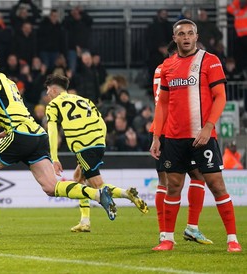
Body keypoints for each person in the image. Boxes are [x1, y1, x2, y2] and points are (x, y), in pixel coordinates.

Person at [0, 49, 116, 238]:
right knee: (51, 187)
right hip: (36, 134)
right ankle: (97, 195)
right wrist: (6, 128)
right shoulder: (10, 83)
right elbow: (17, 109)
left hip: (20, 135)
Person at [150, 19, 242, 252]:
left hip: (202, 136)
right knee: (173, 186)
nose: (186, 37)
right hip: (173, 138)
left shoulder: (209, 61)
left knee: (216, 185)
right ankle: (167, 239)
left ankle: (232, 239)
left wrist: (208, 125)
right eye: (181, 34)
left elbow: (220, 97)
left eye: (190, 33)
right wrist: (156, 136)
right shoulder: (168, 66)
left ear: (196, 35)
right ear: (175, 38)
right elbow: (162, 105)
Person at [45, 74, 148, 232]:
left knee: (97, 186)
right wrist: (101, 141)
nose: (47, 94)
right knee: (78, 178)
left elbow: (52, 131)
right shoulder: (84, 100)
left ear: (53, 90)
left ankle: (127, 194)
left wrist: (54, 157)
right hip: (98, 142)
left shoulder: (53, 104)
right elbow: (101, 121)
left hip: (83, 146)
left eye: (47, 90)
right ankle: (85, 221)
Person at [151, 41, 212, 245]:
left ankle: (179, 230)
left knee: (176, 179)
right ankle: (177, 230)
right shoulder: (171, 68)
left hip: (168, 129)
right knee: (176, 180)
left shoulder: (160, 69)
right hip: (174, 129)